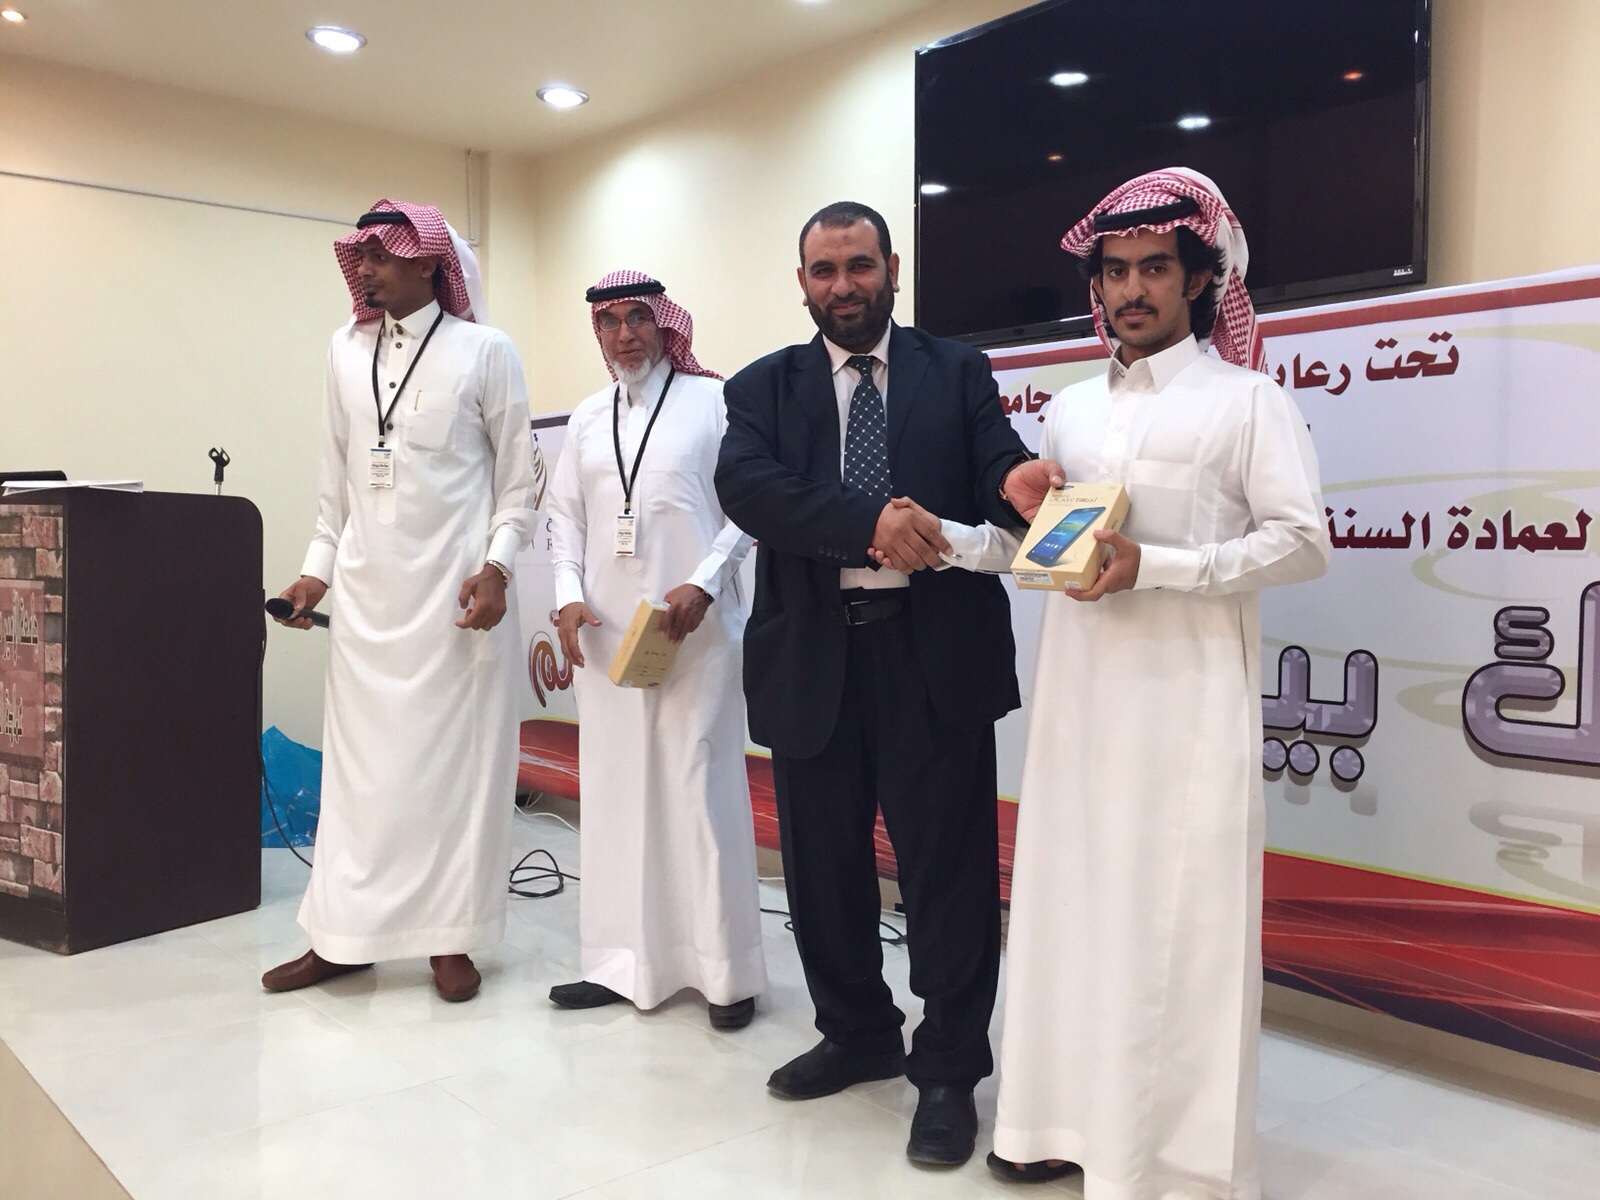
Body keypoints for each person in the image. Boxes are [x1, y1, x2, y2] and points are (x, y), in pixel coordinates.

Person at [927, 168, 1330, 1194]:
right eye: (1113, 272)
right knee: (1073, 915)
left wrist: (1160, 568)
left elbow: (1301, 543)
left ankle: (1164, 1164)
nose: (1131, 289)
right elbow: (1051, 552)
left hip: (1185, 716)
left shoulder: (1248, 402)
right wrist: (957, 542)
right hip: (1078, 712)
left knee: (1174, 932)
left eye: (1154, 268)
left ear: (1198, 279)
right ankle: (1053, 1125)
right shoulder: (1067, 413)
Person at [714, 201, 1063, 1166]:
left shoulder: (956, 370)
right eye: (824, 270)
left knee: (946, 873)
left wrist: (1014, 483)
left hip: (932, 657)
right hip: (813, 659)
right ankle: (857, 1032)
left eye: (859, 265)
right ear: (802, 283)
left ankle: (948, 1068)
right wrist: (867, 523)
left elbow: (992, 461)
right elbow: (750, 489)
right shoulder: (762, 387)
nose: (844, 286)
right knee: (823, 870)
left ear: (892, 268)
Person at [266, 199, 537, 1004]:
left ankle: (450, 938)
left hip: (459, 603)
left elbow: (519, 482)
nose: (364, 269)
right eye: (360, 256)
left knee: (452, 776)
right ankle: (343, 938)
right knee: (363, 779)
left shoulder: (485, 351)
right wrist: (315, 573)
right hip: (366, 604)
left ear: (427, 262)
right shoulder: (344, 350)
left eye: (380, 255)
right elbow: (335, 484)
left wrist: (498, 569)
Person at [544, 270, 765, 1030]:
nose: (625, 335)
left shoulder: (715, 401)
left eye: (639, 318)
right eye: (610, 323)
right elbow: (565, 518)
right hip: (607, 636)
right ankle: (617, 965)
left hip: (693, 633)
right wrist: (567, 594)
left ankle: (724, 976)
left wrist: (704, 582)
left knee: (698, 791)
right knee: (615, 796)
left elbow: (749, 506)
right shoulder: (586, 417)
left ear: (665, 324)